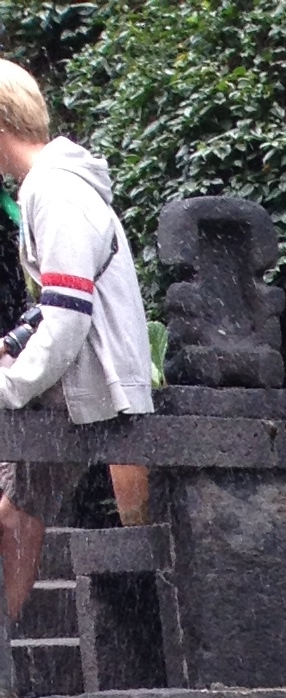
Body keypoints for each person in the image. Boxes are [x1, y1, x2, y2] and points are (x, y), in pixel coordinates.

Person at [0, 65, 152, 628]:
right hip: (81, 381)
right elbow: (63, 296)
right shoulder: (53, 184)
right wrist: (13, 343)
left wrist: (9, 386)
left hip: (89, 386)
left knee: (17, 512)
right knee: (18, 512)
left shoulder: (53, 190)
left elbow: (68, 318)